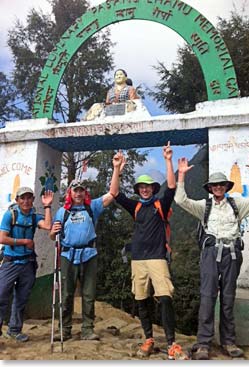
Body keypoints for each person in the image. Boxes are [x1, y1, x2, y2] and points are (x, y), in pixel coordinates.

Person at [174, 153, 249, 360]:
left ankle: (229, 342)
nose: (218, 188)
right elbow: (180, 199)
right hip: (210, 254)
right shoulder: (204, 207)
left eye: (221, 185)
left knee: (228, 298)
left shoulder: (237, 205)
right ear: (210, 188)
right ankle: (203, 344)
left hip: (232, 254)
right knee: (208, 298)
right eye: (214, 185)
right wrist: (181, 176)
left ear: (226, 187)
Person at [113, 142, 189, 360]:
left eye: (148, 187)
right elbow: (115, 194)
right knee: (141, 299)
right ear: (138, 190)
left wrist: (167, 160)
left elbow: (172, 188)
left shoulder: (160, 206)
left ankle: (172, 343)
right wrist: (117, 168)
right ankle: (148, 338)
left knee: (165, 298)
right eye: (141, 187)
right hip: (137, 260)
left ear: (153, 189)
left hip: (157, 259)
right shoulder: (136, 207)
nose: (144, 189)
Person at [49, 151, 124, 341]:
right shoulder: (62, 212)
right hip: (67, 256)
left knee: (88, 295)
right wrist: (52, 232)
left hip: (89, 254)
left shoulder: (93, 207)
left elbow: (113, 193)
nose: (79, 193)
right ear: (70, 192)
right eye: (75, 190)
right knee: (66, 295)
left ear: (85, 192)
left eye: (82, 190)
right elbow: (53, 235)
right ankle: (64, 330)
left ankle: (87, 329)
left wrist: (116, 168)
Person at [0, 187, 54, 342]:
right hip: (10, 262)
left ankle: (14, 330)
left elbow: (48, 226)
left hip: (28, 263)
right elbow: (2, 238)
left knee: (21, 299)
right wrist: (24, 241)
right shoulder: (10, 215)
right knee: (1, 295)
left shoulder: (34, 216)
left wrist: (48, 206)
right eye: (23, 198)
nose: (26, 201)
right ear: (17, 200)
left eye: (29, 198)